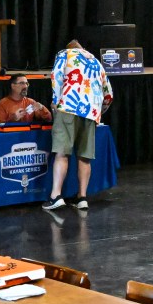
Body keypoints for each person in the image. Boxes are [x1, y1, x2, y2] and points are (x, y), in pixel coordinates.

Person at [42, 40, 113, 211]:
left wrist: (56, 101)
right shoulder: (96, 62)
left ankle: (56, 196)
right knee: (84, 157)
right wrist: (99, 110)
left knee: (62, 153)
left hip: (68, 106)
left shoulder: (64, 54)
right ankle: (82, 198)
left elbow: (56, 77)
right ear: (82, 49)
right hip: (91, 112)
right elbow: (108, 93)